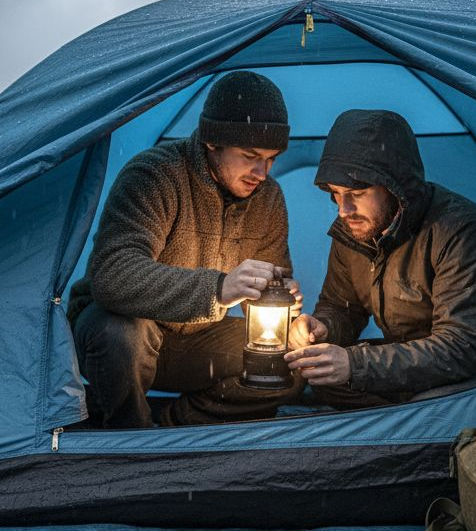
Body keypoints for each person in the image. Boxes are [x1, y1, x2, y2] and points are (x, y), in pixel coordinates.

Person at [67, 71, 303, 428]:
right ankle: (127, 436)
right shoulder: (154, 175)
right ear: (212, 142)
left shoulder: (268, 199)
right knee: (119, 334)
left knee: (289, 362)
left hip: (194, 344)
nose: (262, 172)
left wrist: (281, 301)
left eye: (271, 158)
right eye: (250, 155)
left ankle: (172, 427)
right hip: (125, 334)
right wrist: (220, 288)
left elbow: (273, 281)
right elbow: (113, 275)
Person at [284, 109, 476, 407]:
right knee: (326, 380)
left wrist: (355, 364)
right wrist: (323, 327)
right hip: (414, 358)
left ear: (394, 186)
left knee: (429, 406)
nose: (344, 210)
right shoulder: (355, 229)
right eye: (335, 194)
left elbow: (461, 348)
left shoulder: (462, 232)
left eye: (357, 192)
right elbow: (343, 308)